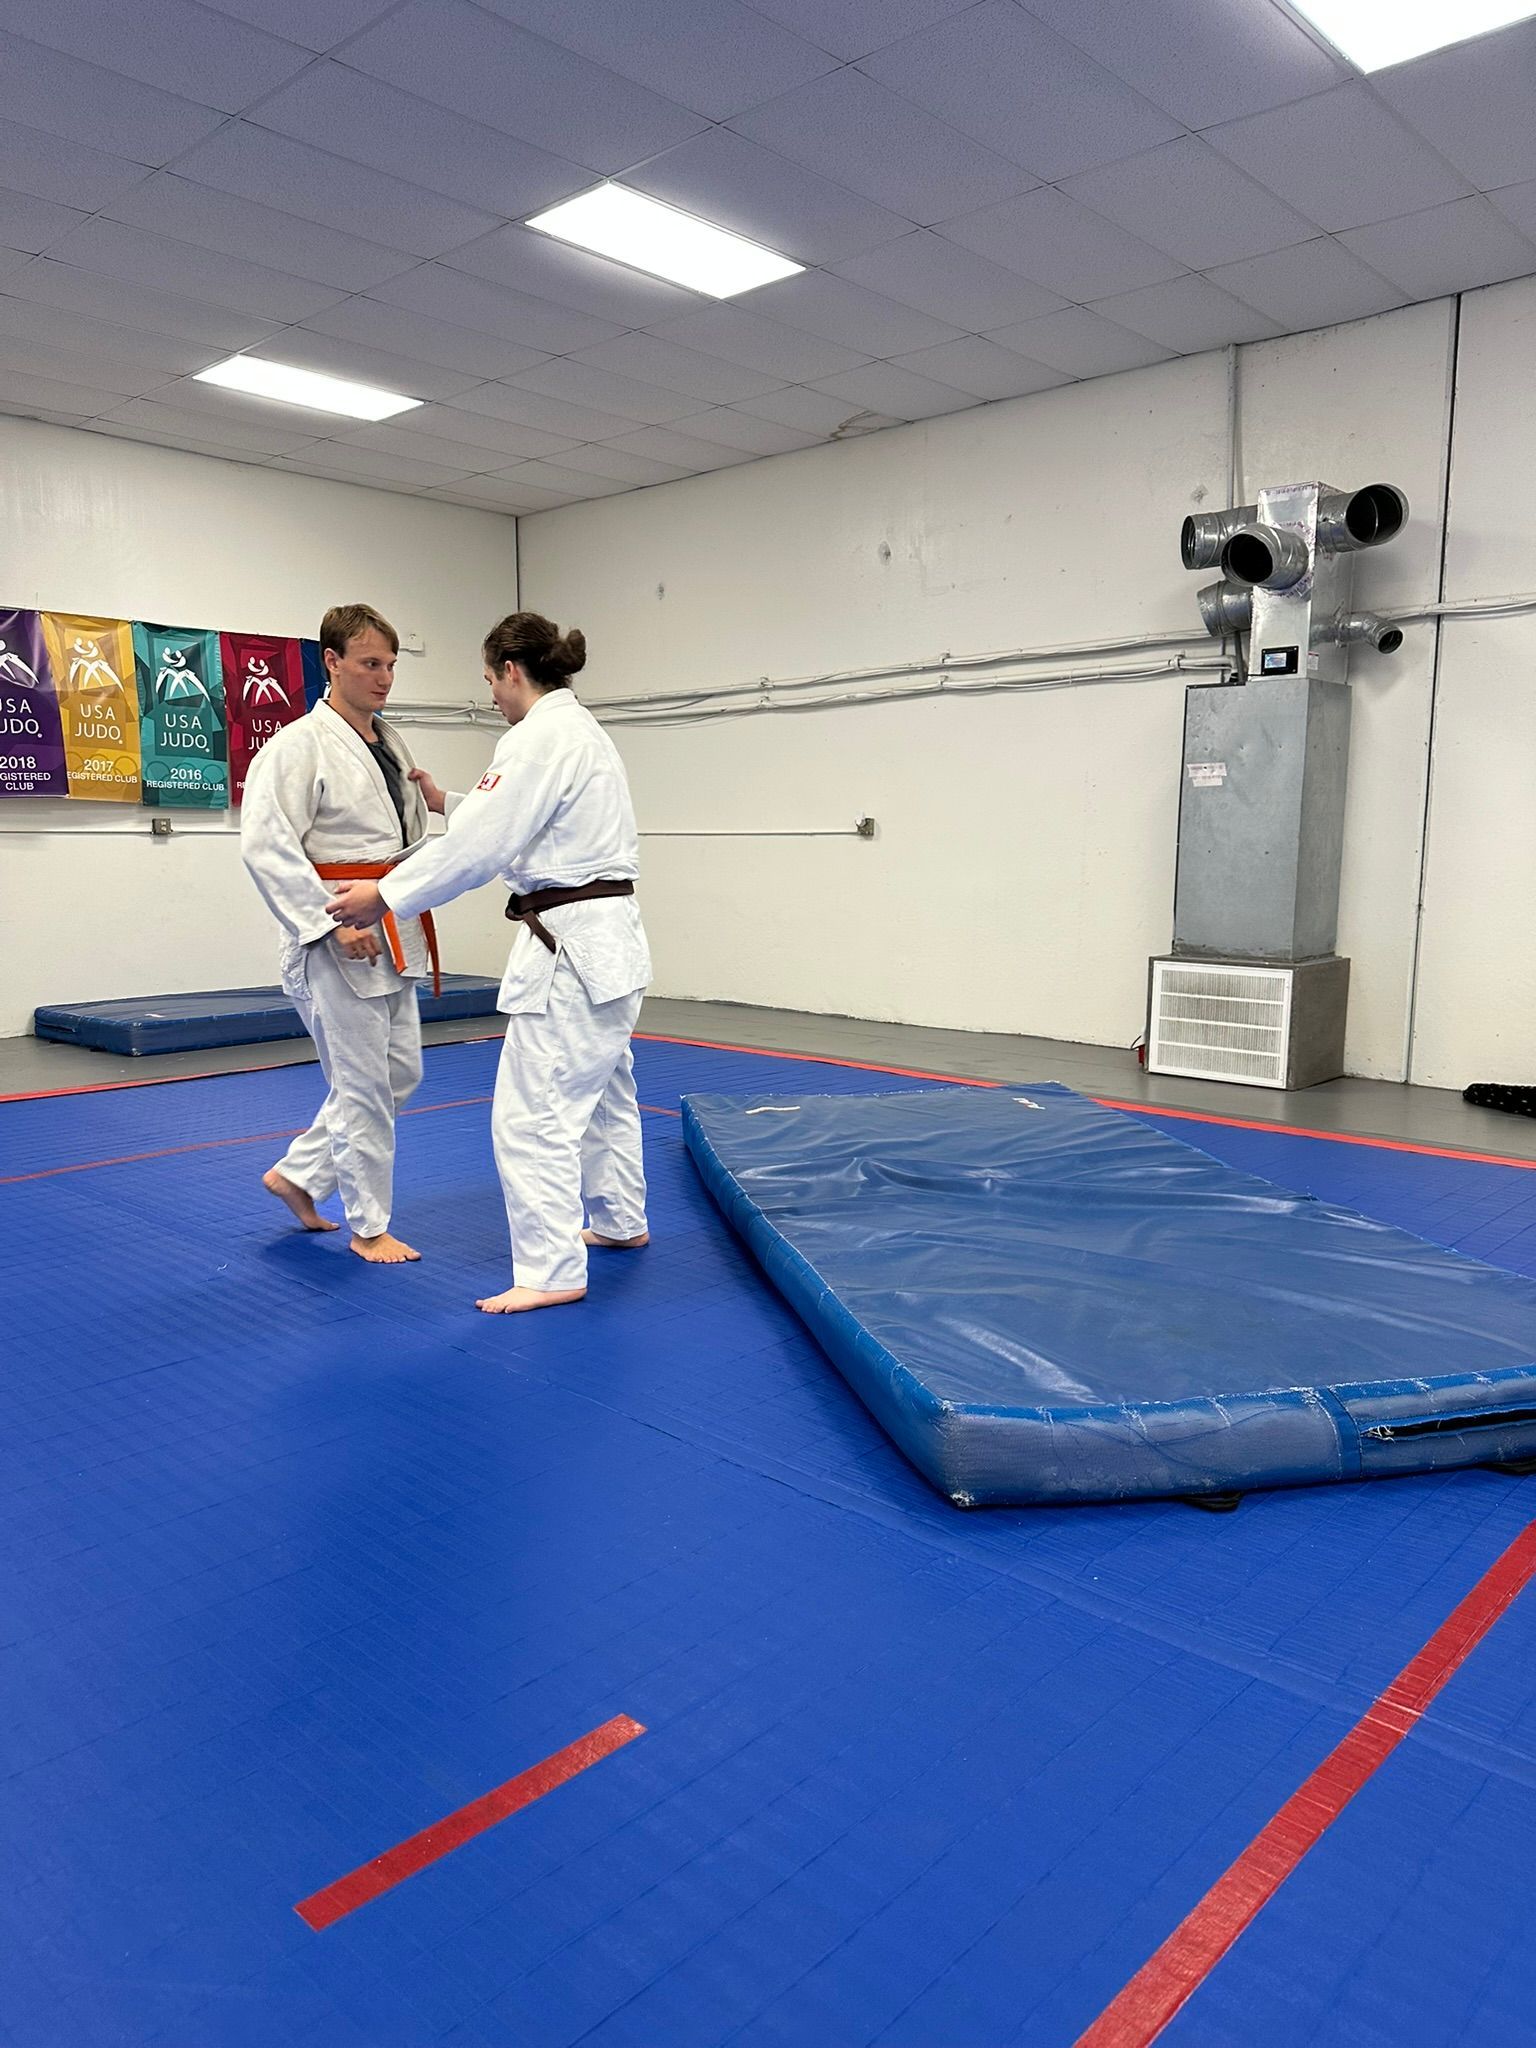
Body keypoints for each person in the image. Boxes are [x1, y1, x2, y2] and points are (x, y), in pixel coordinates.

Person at [326, 612, 650, 1314]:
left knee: (533, 1115)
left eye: (490, 682)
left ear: (511, 670)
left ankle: (552, 1269)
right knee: (603, 1095)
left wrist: (384, 894)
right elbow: (528, 818)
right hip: (611, 944)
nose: (493, 698)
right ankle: (622, 1219)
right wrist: (451, 803)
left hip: (570, 950)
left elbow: (481, 849)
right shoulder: (579, 731)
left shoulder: (535, 738)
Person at [241, 602, 441, 1264]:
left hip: (392, 918)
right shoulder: (295, 746)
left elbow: (405, 838)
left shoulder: (388, 739)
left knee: (401, 1072)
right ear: (331, 662)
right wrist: (326, 926)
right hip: (336, 930)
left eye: (389, 664)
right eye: (369, 664)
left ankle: (299, 1175)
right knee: (361, 1087)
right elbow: (268, 847)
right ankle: (368, 1226)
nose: (383, 678)